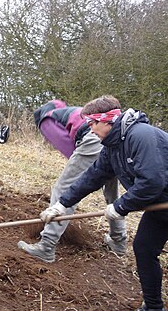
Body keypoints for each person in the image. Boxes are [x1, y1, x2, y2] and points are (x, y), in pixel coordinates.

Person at [40, 95, 168, 311]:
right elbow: (93, 176)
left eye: (92, 123)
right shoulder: (113, 146)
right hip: (161, 208)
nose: (90, 130)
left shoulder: (141, 136)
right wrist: (62, 204)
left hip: (162, 199)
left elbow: (152, 182)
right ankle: (154, 307)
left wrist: (120, 207)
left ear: (107, 120)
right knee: (144, 248)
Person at [18, 99, 127, 263]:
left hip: (94, 139)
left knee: (63, 188)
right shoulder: (70, 112)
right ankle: (118, 241)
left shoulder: (45, 120)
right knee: (111, 193)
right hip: (113, 136)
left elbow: (71, 152)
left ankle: (46, 246)